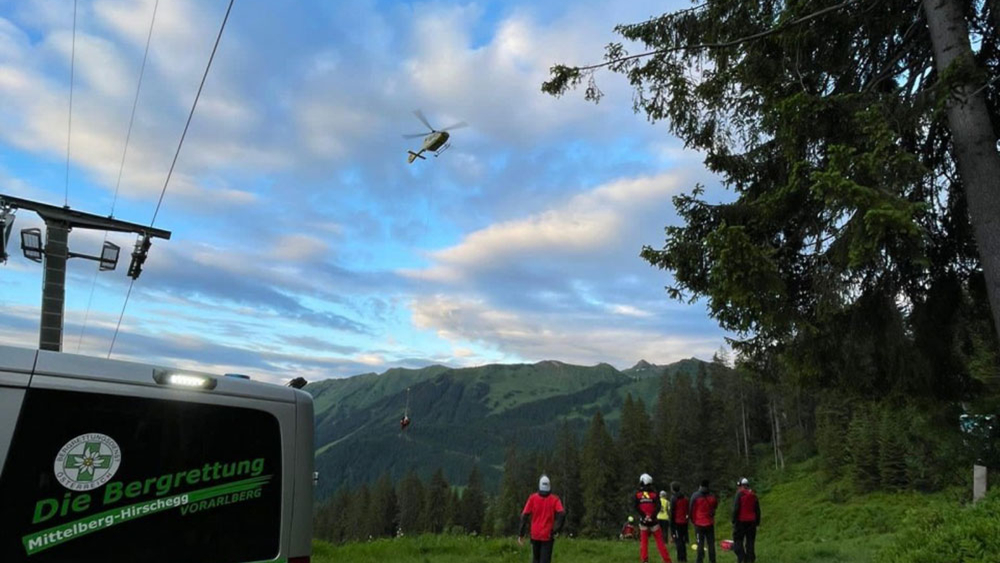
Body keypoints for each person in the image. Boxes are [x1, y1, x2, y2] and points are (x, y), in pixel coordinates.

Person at [519, 475, 566, 563]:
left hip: (535, 534)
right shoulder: (554, 499)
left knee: (536, 559)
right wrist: (556, 530)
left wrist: (521, 534)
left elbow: (524, 515)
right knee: (545, 560)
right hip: (547, 535)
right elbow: (562, 514)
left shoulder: (532, 498)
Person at [634, 473, 673, 563]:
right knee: (660, 542)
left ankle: (644, 560)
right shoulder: (654, 495)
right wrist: (652, 516)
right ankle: (667, 560)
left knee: (644, 543)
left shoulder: (638, 495)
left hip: (643, 522)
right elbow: (658, 507)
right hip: (654, 522)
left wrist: (644, 516)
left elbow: (636, 507)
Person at [731, 478, 760, 563]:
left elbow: (736, 509)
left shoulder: (739, 494)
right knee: (750, 542)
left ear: (740, 485)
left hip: (741, 522)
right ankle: (750, 559)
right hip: (752, 522)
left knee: (738, 540)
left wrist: (733, 520)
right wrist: (757, 522)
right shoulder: (753, 494)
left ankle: (742, 558)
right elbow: (757, 510)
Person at [689, 479, 718, 563]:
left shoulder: (695, 496)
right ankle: (712, 560)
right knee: (711, 543)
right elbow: (715, 505)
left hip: (699, 523)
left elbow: (691, 509)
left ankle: (699, 560)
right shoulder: (712, 496)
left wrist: (692, 520)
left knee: (700, 543)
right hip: (709, 522)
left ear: (700, 486)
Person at [669, 482, 690, 562]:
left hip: (677, 522)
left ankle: (680, 558)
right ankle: (684, 557)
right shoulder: (685, 498)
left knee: (678, 541)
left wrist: (672, 525)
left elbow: (672, 512)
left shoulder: (673, 498)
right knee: (683, 540)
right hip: (684, 522)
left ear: (673, 489)